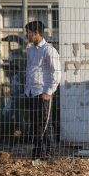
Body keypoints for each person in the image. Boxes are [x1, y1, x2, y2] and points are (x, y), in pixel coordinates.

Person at [24, 20, 61, 160]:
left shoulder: (49, 50)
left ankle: (49, 154)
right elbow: (30, 71)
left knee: (46, 125)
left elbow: (56, 72)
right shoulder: (31, 50)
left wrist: (49, 91)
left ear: (35, 33)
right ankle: (38, 152)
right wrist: (26, 90)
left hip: (42, 93)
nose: (26, 35)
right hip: (31, 93)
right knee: (35, 125)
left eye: (28, 33)